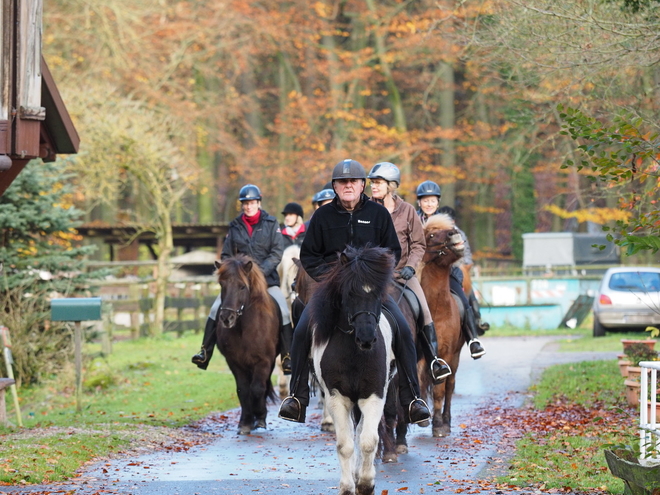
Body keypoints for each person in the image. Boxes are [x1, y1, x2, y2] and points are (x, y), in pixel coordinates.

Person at [278, 159, 431, 425]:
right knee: (302, 326)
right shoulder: (321, 217)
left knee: (404, 330)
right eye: (342, 182)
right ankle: (297, 397)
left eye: (353, 182)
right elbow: (309, 256)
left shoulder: (378, 214)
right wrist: (330, 278)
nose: (348, 186)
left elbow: (392, 252)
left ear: (362, 185)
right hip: (331, 290)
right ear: (335, 187)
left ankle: (412, 399)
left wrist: (375, 274)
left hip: (370, 290)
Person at [192, 184, 294, 373]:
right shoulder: (235, 226)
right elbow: (226, 255)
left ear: (258, 203)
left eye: (252, 203)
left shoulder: (271, 224)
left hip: (266, 282)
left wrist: (258, 273)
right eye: (245, 203)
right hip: (238, 284)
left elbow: (276, 253)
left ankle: (288, 357)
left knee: (284, 310)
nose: (248, 206)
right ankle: (205, 352)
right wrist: (232, 272)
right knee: (215, 308)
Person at [367, 162, 452, 384]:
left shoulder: (408, 212)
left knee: (423, 310)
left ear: (391, 186)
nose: (373, 187)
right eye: (372, 183)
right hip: (373, 276)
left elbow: (418, 245)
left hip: (402, 275)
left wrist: (411, 267)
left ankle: (434, 361)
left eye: (377, 183)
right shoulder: (365, 210)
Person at [415, 181, 486, 359]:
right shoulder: (414, 221)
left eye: (432, 200)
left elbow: (460, 251)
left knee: (462, 299)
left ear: (437, 203)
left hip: (445, 272)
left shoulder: (448, 225)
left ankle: (473, 339)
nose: (429, 204)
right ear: (419, 203)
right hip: (418, 272)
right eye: (425, 200)